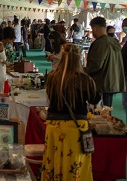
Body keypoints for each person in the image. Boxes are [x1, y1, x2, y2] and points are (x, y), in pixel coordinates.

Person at [41, 44, 100, 181]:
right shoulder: (85, 80)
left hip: (54, 126)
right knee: (75, 166)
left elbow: (50, 96)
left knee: (53, 162)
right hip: (77, 128)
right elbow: (95, 99)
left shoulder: (52, 77)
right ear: (79, 58)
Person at [84, 17, 125, 107]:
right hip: (112, 81)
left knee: (101, 112)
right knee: (107, 111)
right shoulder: (113, 41)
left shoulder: (101, 42)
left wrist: (83, 71)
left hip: (102, 82)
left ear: (95, 27)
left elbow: (96, 64)